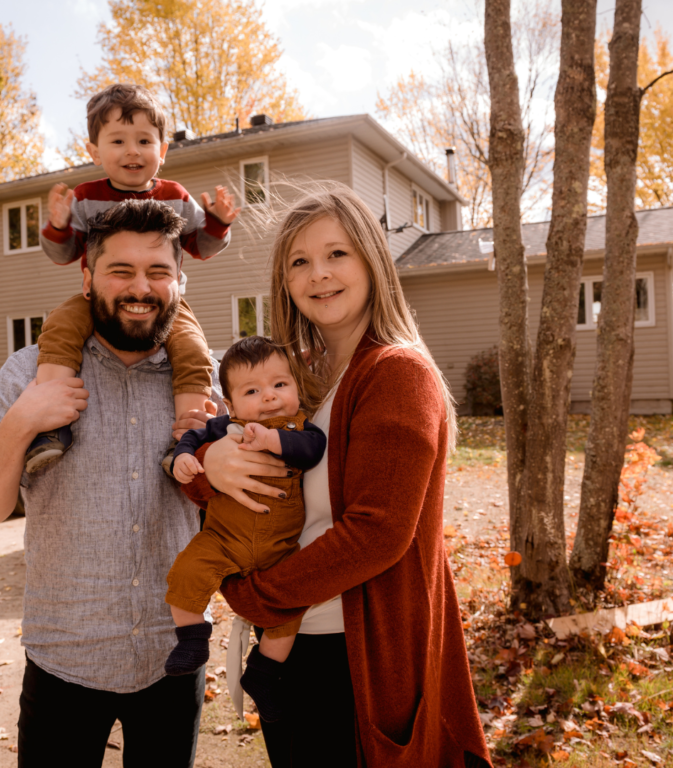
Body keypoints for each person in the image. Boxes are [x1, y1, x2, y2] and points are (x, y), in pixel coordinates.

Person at [182, 186, 492, 767]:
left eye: (337, 254)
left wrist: (252, 596)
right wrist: (210, 466)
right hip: (297, 651)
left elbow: (376, 533)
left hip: (350, 659)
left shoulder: (395, 373)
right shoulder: (295, 383)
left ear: (372, 259)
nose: (318, 274)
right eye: (300, 261)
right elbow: (230, 476)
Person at [0, 199, 220, 768]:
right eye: (120, 270)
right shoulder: (30, 372)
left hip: (173, 659)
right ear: (87, 276)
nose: (140, 288)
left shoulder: (205, 386)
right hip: (62, 661)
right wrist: (24, 419)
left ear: (180, 279)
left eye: (158, 272)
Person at [27, 83, 239, 473]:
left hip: (166, 308)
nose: (132, 151)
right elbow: (64, 254)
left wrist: (219, 223)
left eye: (144, 140)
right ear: (94, 152)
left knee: (193, 350)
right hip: (98, 301)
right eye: (118, 140)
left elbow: (200, 246)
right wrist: (58, 226)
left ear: (162, 150)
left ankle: (188, 440)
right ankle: (50, 427)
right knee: (59, 328)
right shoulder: (86, 197)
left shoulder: (175, 194)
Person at [165, 336, 326, 723]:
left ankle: (264, 672)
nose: (269, 397)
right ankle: (191, 639)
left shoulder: (302, 428)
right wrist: (183, 457)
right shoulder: (225, 427)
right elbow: (192, 436)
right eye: (252, 390)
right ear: (231, 404)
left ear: (296, 387)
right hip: (223, 539)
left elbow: (312, 450)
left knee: (290, 612)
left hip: (280, 549)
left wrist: (273, 438)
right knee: (185, 571)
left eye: (279, 385)